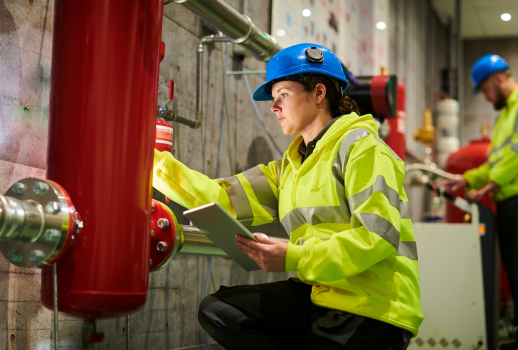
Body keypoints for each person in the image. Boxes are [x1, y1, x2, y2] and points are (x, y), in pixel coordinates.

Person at [153, 43, 423, 349]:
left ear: (319, 93)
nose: (274, 106)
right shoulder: (290, 166)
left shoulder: (363, 148)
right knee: (220, 312)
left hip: (375, 307)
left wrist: (295, 256)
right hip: (320, 296)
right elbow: (220, 196)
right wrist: (153, 163)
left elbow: (378, 237)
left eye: (283, 94)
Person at [444, 54, 518, 350]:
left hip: (515, 196)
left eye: (485, 90)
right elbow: (495, 162)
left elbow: (513, 159)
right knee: (513, 268)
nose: (486, 98)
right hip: (508, 201)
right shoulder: (503, 119)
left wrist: (494, 182)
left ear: (498, 78)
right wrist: (469, 179)